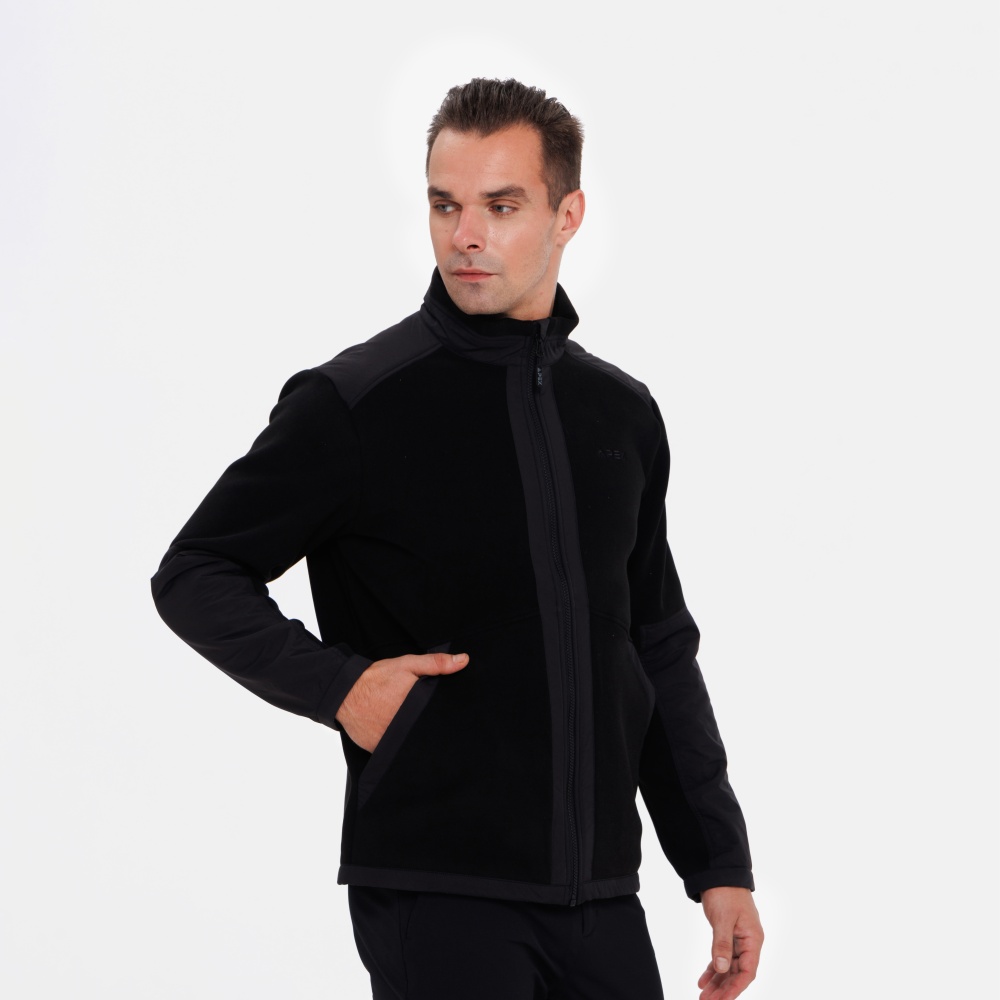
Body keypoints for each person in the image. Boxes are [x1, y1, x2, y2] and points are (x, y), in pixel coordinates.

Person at [151, 77, 763, 1000]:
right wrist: (341, 688)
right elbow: (197, 571)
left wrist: (717, 861)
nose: (464, 235)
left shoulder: (620, 414)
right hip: (438, 891)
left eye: (500, 207)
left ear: (568, 215)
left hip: (602, 894)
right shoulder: (355, 402)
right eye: (446, 205)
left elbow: (656, 646)